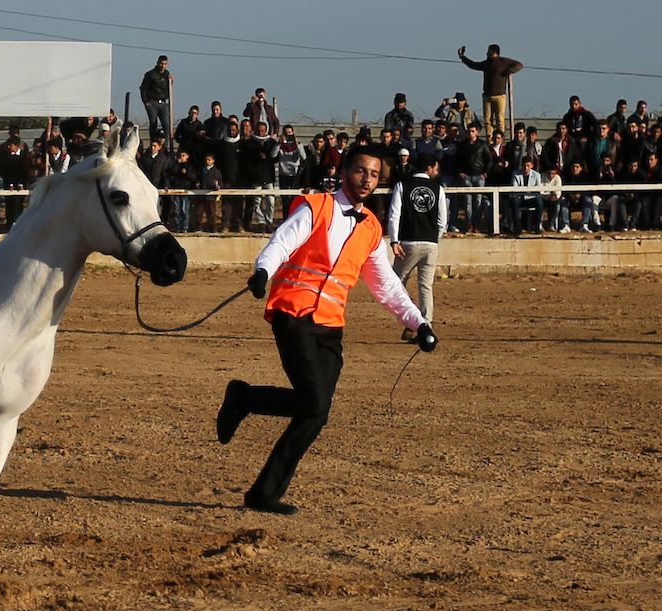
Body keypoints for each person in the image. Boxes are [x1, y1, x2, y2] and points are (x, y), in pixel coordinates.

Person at [216, 146, 437, 515]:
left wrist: (419, 323)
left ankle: (261, 483)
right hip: (294, 313)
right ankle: (247, 413)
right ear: (344, 171)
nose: (366, 179)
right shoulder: (315, 207)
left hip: (330, 326)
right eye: (360, 171)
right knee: (315, 403)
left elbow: (385, 285)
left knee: (315, 412)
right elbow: (282, 242)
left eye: (373, 174)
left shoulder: (371, 229)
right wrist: (262, 272)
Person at [457, 44, 522, 137]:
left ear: (493, 52)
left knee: (500, 120)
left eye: (488, 51)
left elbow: (519, 65)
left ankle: (500, 139)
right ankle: (490, 140)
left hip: (500, 95)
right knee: (488, 121)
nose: (486, 53)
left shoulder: (503, 61)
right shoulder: (487, 63)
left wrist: (509, 71)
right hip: (487, 95)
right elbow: (473, 65)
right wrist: (463, 57)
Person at [139, 55, 173, 143]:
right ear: (158, 63)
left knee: (166, 124)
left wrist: (171, 81)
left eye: (165, 64)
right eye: (161, 63)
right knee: (153, 123)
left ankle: (166, 146)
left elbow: (168, 87)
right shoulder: (150, 74)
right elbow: (143, 88)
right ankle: (153, 143)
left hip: (163, 103)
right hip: (152, 102)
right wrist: (145, 101)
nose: (163, 66)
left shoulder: (167, 74)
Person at [508, 156, 543, 236]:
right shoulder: (516, 174)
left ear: (532, 166)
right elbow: (515, 188)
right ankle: (517, 228)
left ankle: (537, 227)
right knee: (514, 201)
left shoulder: (537, 175)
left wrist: (527, 192)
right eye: (524, 165)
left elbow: (538, 190)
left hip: (531, 198)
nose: (526, 168)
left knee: (539, 201)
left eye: (528, 166)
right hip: (520, 198)